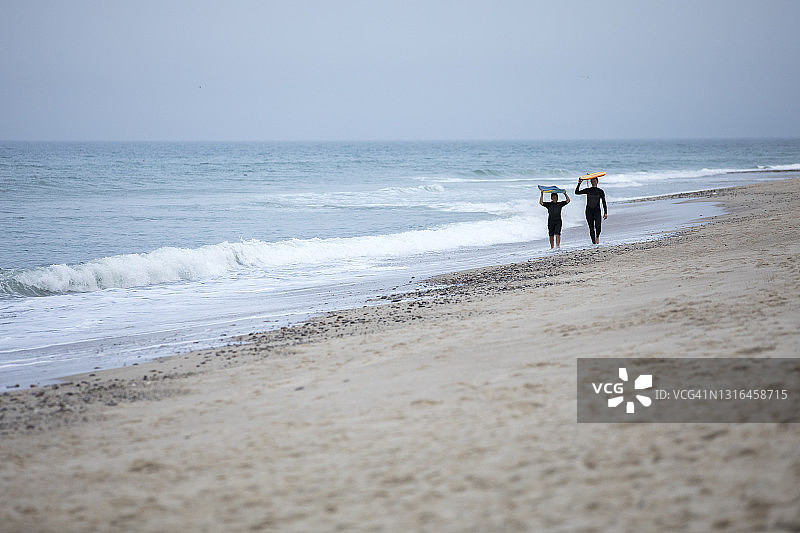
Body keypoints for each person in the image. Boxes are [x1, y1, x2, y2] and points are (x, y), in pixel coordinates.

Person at [575, 177, 607, 244]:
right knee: (591, 227)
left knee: (598, 226)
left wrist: (605, 212)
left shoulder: (600, 191)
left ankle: (597, 237)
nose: (593, 182)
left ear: (597, 182)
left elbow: (604, 202)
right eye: (592, 181)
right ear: (590, 182)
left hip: (597, 210)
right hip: (589, 211)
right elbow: (577, 192)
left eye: (594, 180)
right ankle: (593, 242)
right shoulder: (588, 190)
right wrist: (579, 183)